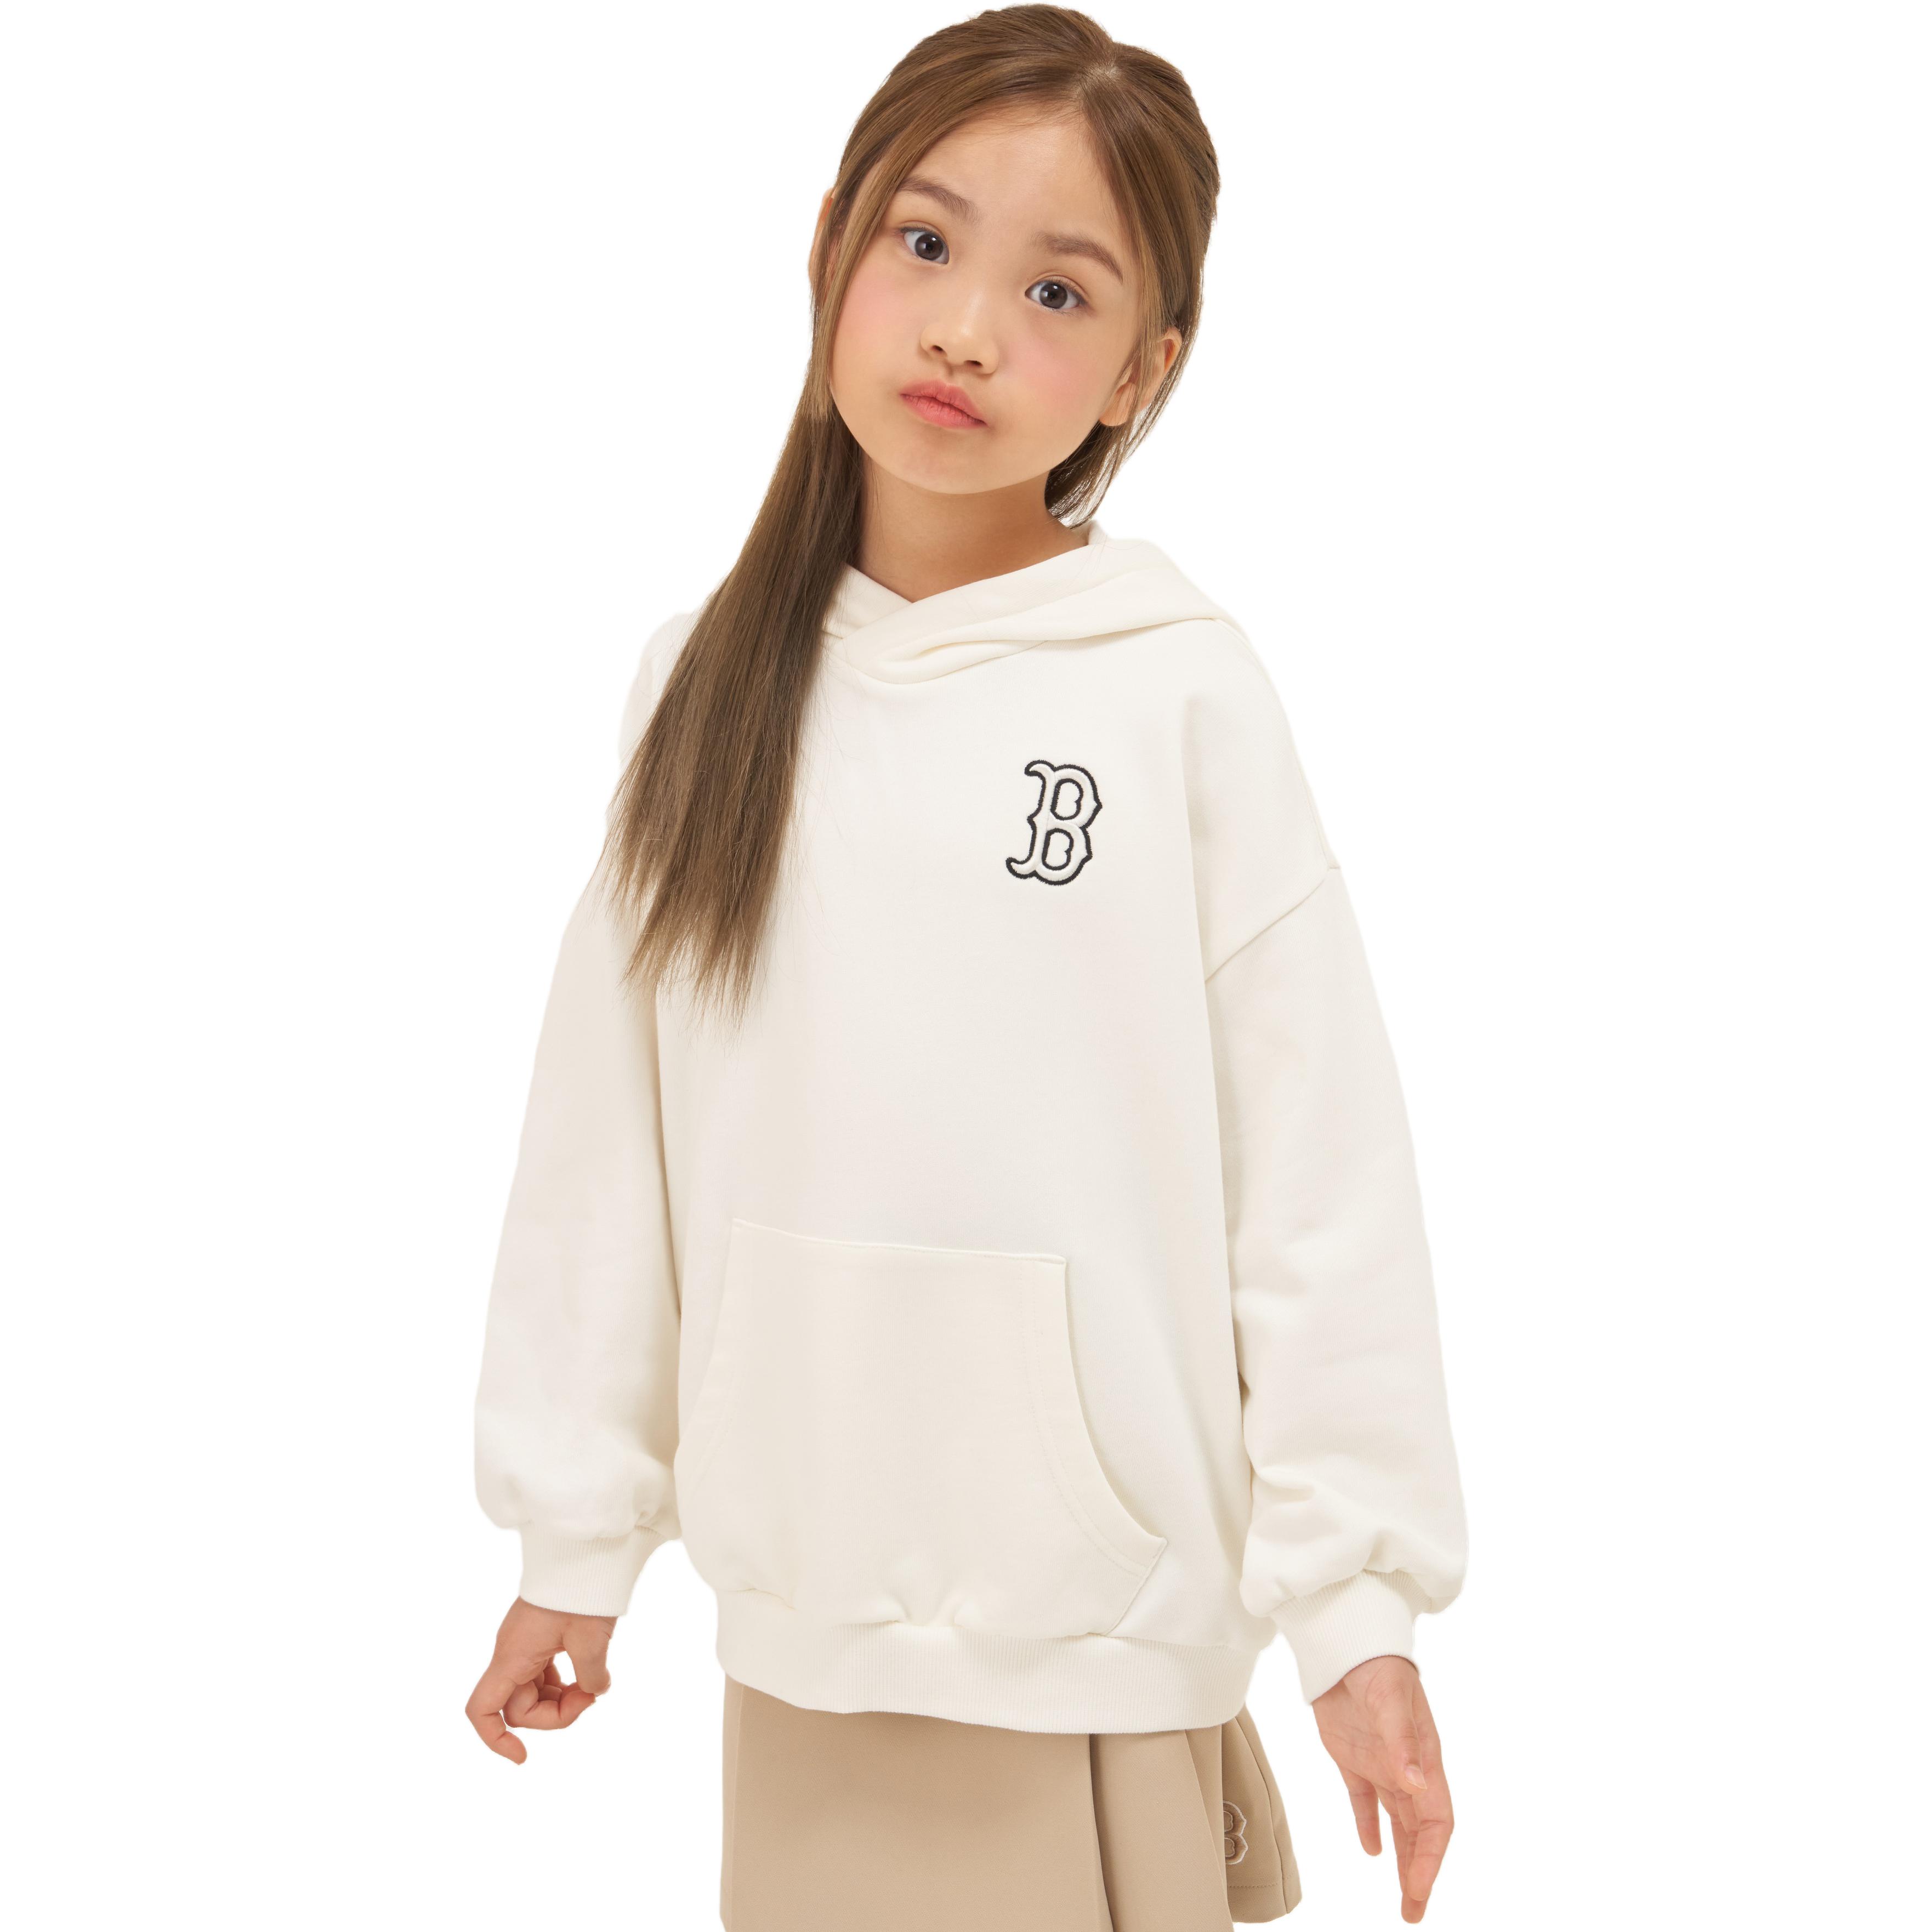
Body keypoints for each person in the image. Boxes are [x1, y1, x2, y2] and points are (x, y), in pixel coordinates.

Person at [465, 8, 1468, 1926]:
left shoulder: (1175, 694)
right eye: (923, 243)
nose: (965, 329)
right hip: (808, 1624)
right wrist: (571, 1542)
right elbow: (604, 1156)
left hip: (1097, 1631)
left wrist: (1355, 1612)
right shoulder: (704, 689)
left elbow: (1315, 1182)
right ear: (831, 243)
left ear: (1143, 369)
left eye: (1056, 290)